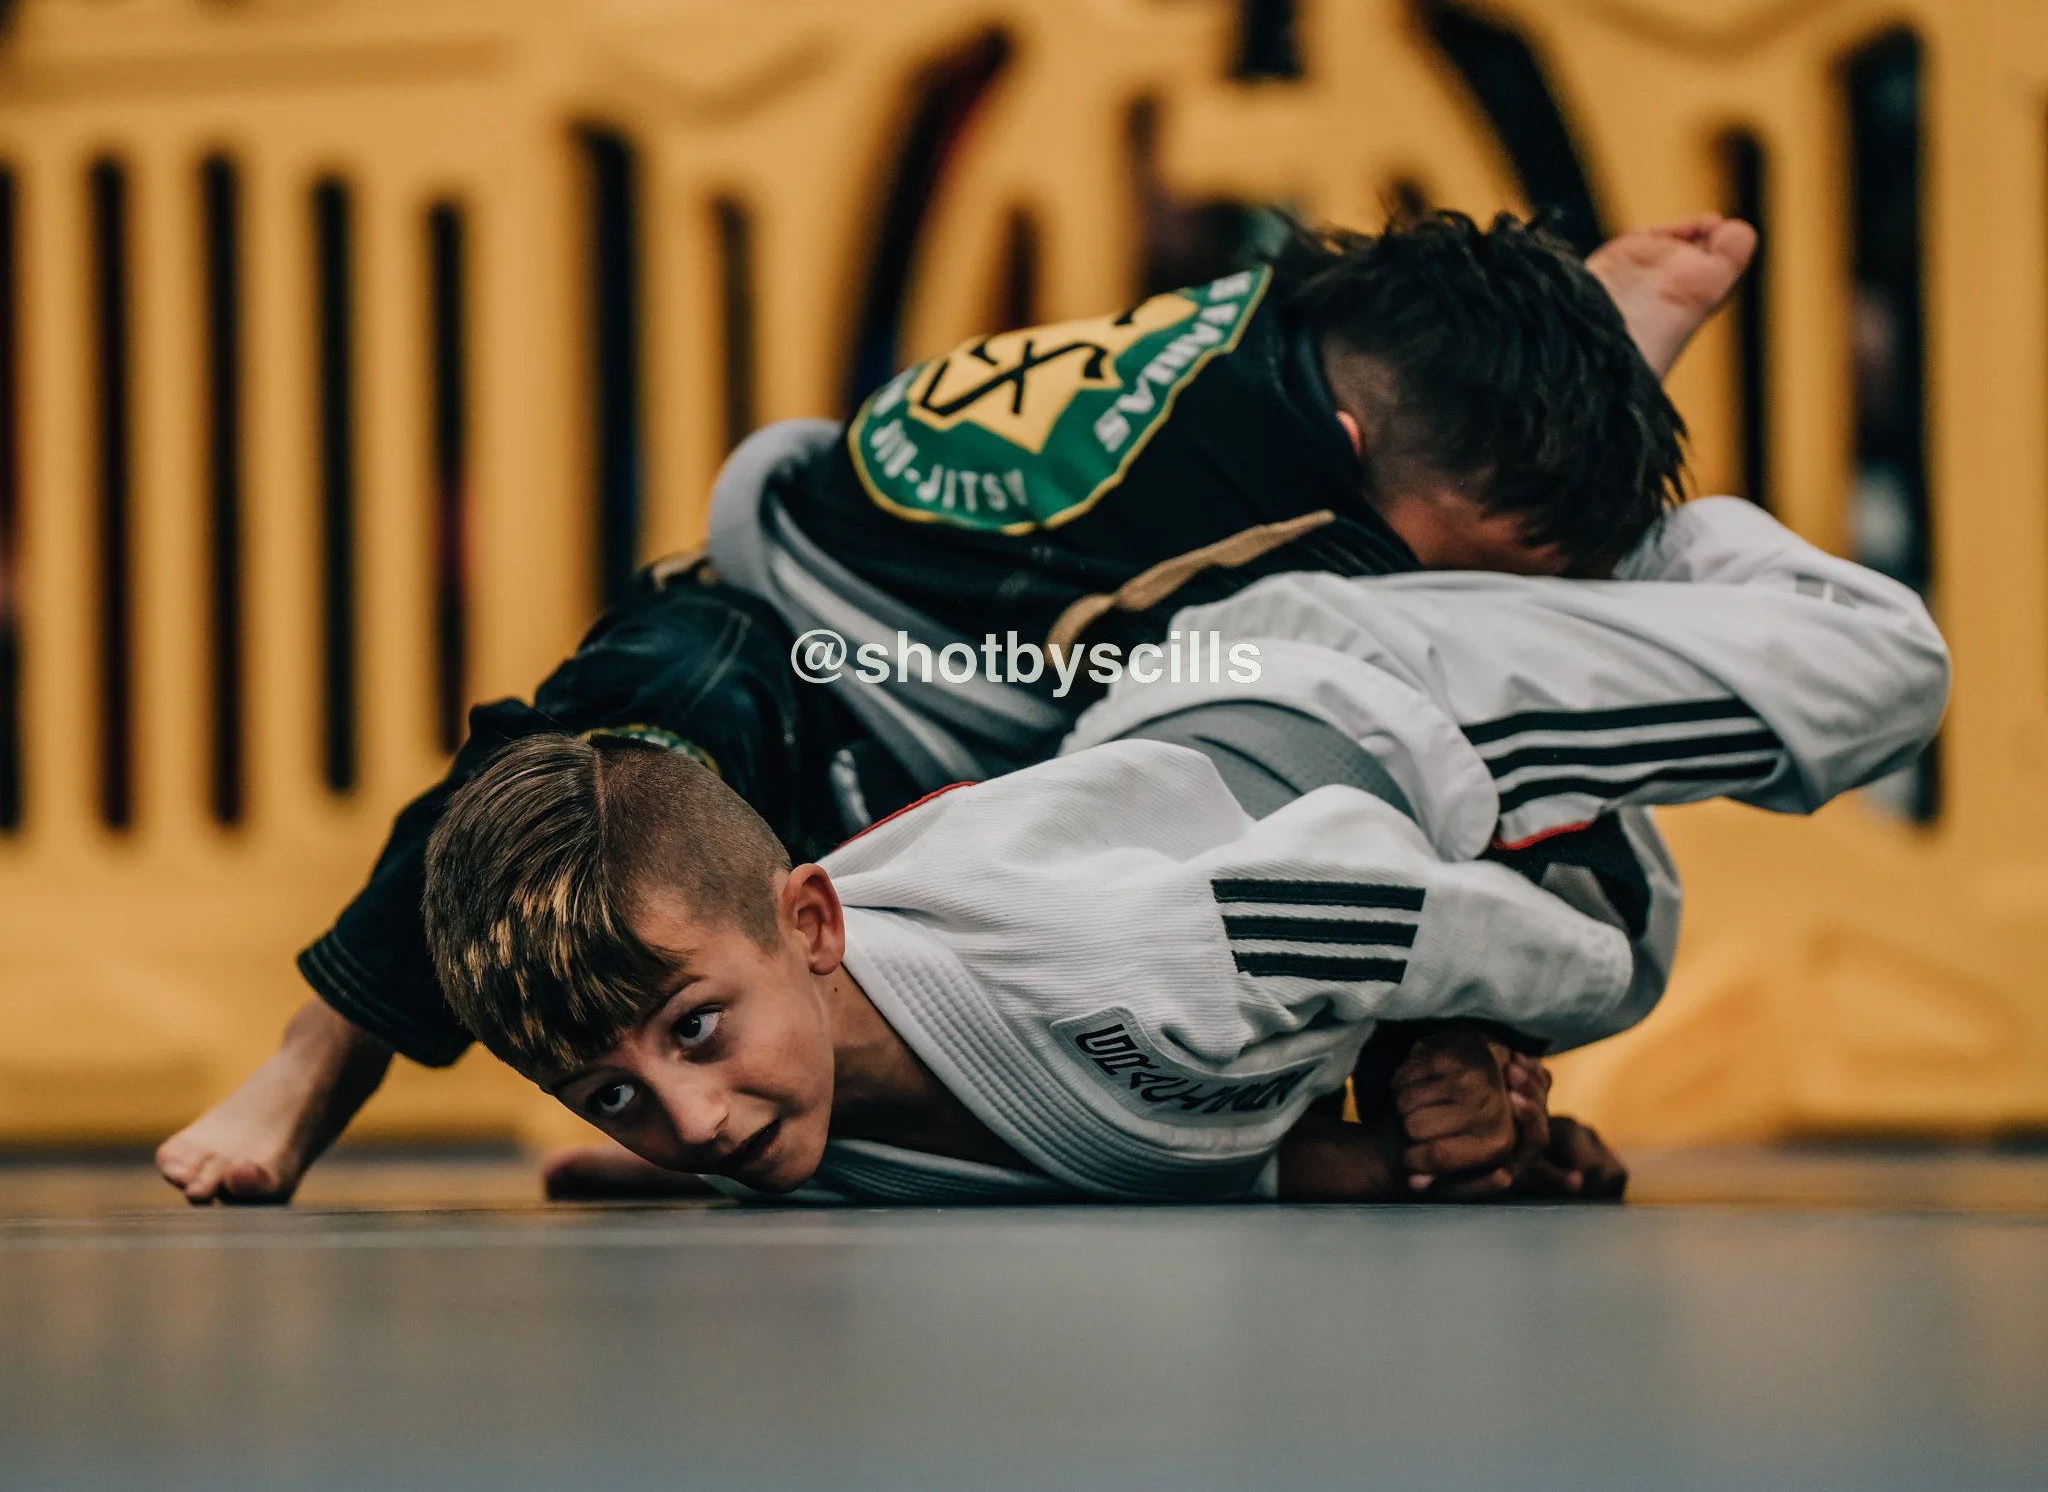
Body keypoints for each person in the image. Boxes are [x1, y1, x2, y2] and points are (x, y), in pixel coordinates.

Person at [155, 208, 1755, 1204]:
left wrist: (1459, 1046)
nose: (1472, 598)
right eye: (1469, 560)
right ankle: (322, 1051)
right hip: (828, 673)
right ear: (1349, 469)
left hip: (1003, 722)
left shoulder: (1312, 357)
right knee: (589, 764)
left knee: (1336, 803)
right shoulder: (1278, 512)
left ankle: (1585, 336)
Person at [419, 466, 1946, 1204]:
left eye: (694, 1030)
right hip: (1173, 768)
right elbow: (1189, 1151)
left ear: (812, 923)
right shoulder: (777, 1122)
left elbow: (1403, 905)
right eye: (614, 1091)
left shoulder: (1131, 955)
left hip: (1382, 699)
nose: (690, 1117)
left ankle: (1626, 543)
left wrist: (1489, 1036)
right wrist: (1421, 1150)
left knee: (1880, 682)